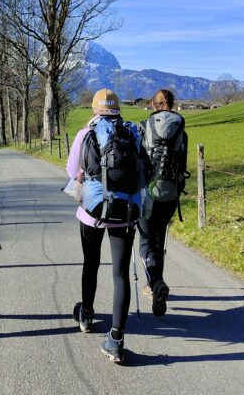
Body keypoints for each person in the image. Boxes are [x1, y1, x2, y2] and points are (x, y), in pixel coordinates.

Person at [66, 88, 149, 364]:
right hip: (126, 211)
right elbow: (146, 171)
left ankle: (87, 315)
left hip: (93, 210)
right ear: (117, 109)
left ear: (94, 109)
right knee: (120, 273)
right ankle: (115, 339)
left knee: (91, 263)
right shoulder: (132, 132)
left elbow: (70, 171)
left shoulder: (85, 133)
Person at [137, 88, 187, 318]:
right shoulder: (181, 130)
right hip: (170, 193)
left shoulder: (145, 126)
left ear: (154, 105)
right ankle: (156, 284)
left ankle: (155, 283)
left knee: (147, 240)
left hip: (148, 193)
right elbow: (183, 164)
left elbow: (139, 159)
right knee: (160, 240)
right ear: (172, 103)